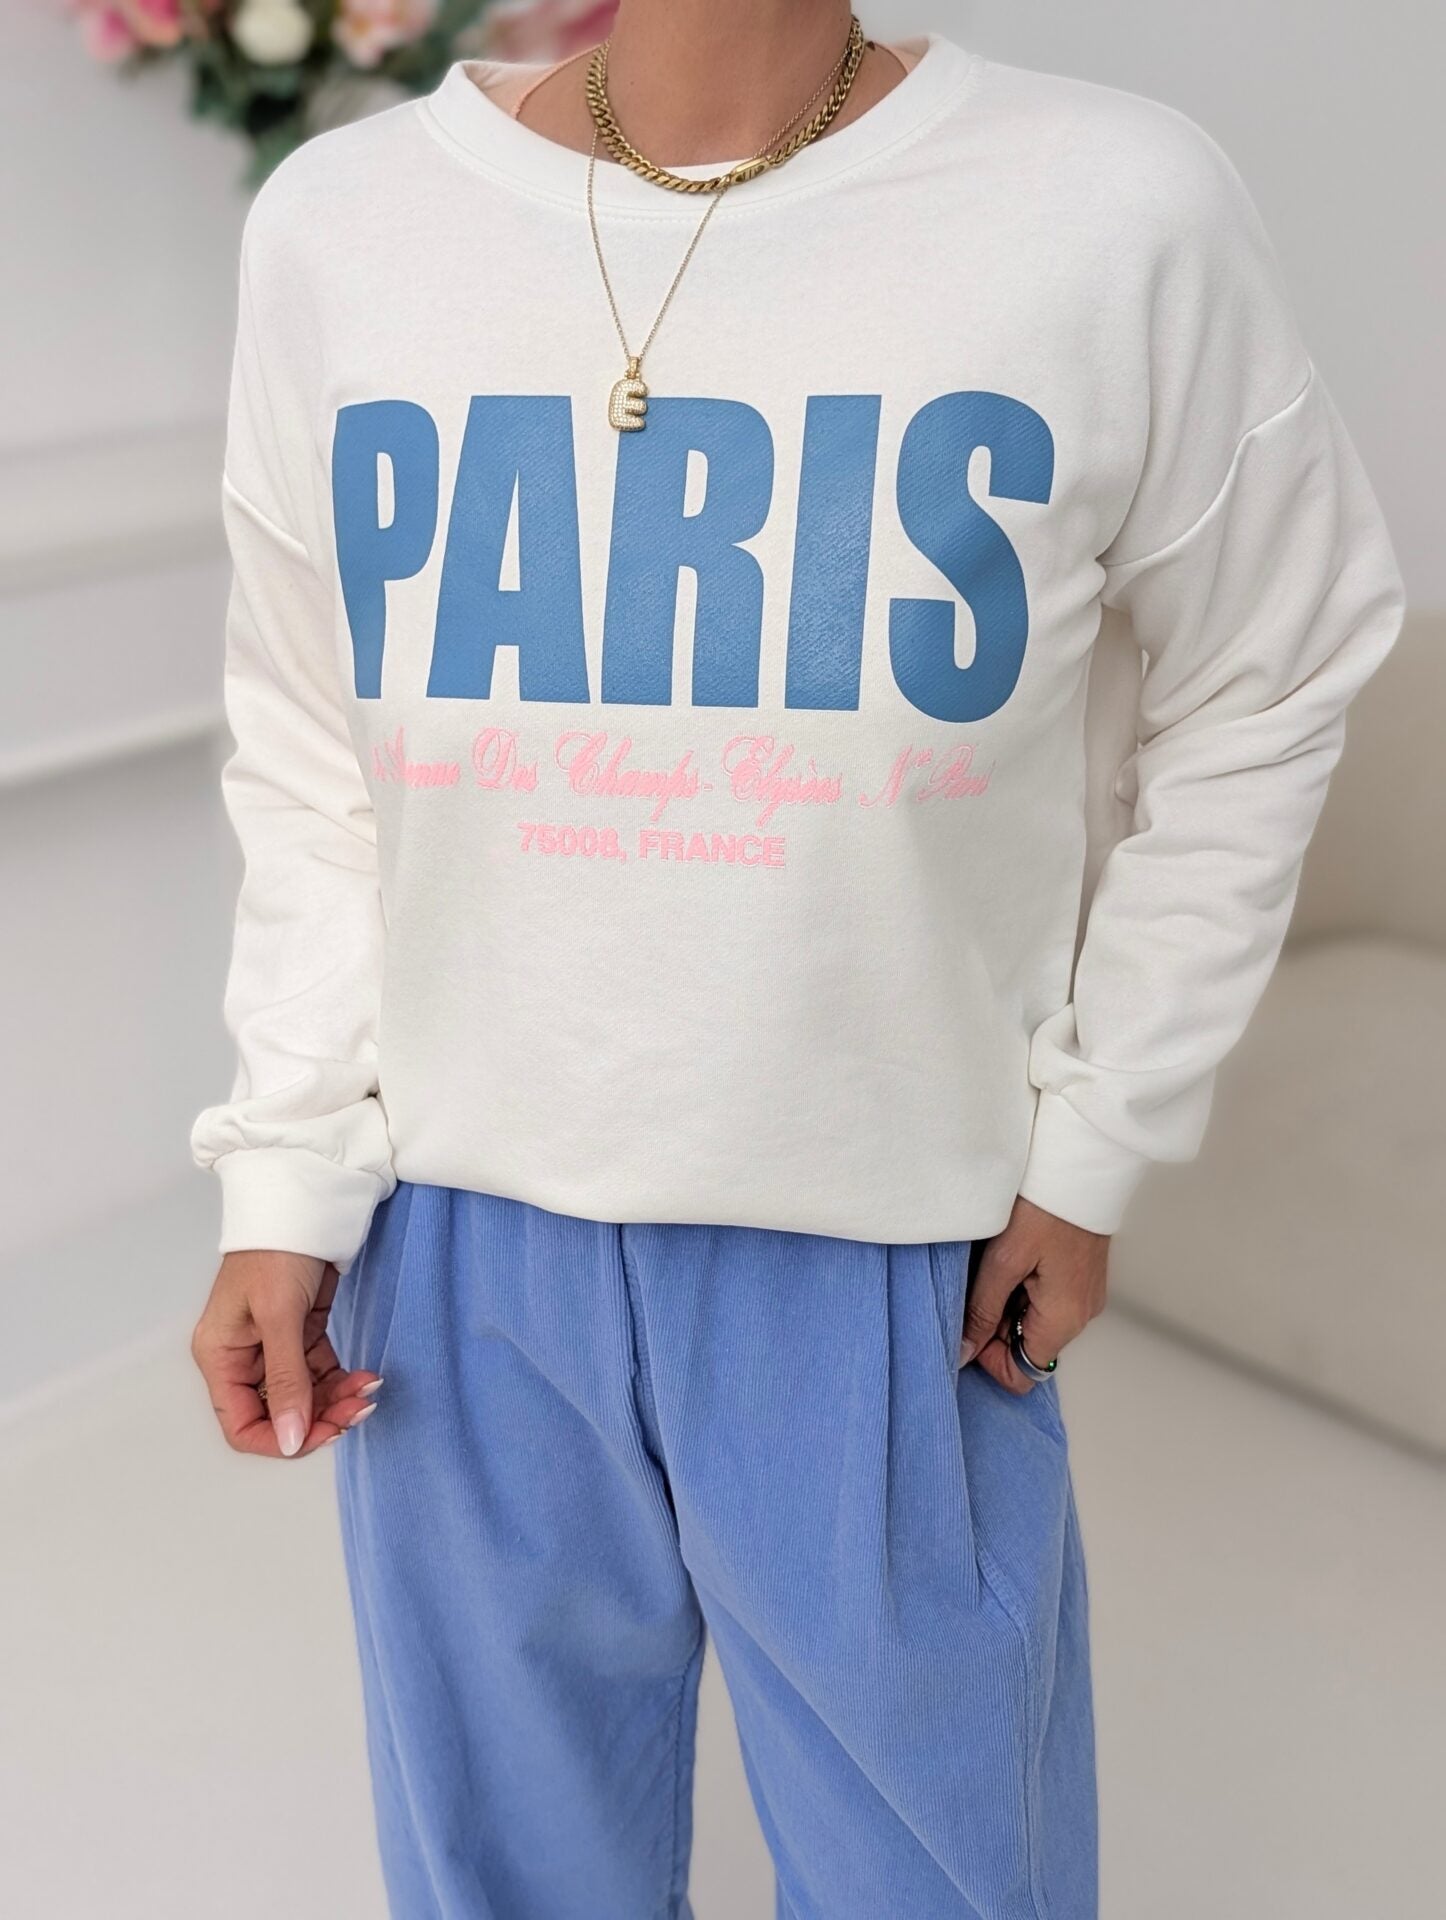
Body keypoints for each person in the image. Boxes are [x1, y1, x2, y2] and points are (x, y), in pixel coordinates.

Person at [187, 4, 1404, 1915]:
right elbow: (315, 753)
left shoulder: (1107, 206)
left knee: (940, 1878)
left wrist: (1095, 1135)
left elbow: (1273, 667)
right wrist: (284, 1171)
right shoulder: (346, 227)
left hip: (884, 1240)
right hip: (456, 1241)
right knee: (504, 1881)